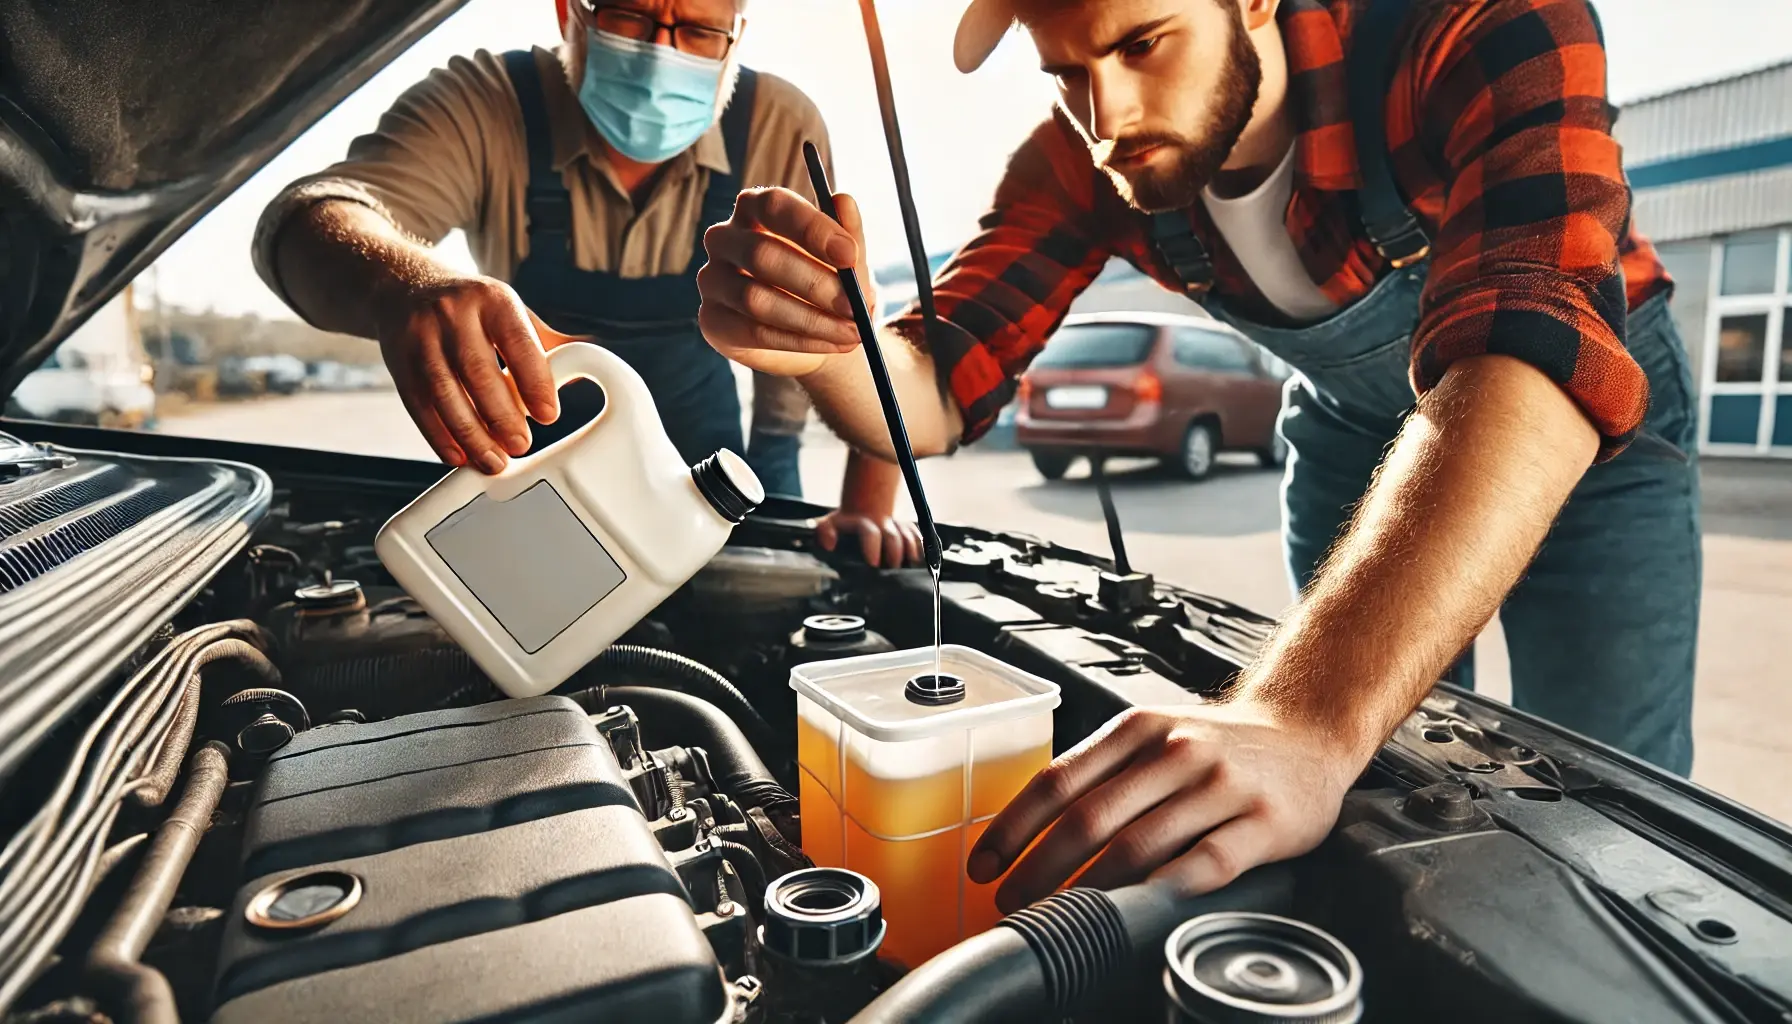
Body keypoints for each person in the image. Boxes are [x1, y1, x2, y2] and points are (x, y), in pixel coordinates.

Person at [696, 0, 1701, 907]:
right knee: (1379, 788)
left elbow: (1528, 331)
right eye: (1065, 71)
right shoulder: (1078, 160)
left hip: (1585, 415)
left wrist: (1304, 713)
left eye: (1141, 43)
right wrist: (822, 342)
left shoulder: (1470, 25)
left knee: (1602, 816)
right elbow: (935, 387)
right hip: (1356, 431)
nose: (1108, 112)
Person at [251, 0, 923, 567]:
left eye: (698, 31)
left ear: (736, 36)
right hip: (534, 478)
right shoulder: (487, 104)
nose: (664, 52)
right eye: (631, 14)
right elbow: (305, 218)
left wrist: (867, 504)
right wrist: (403, 287)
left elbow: (837, 316)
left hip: (723, 472)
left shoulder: (780, 124)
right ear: (570, 11)